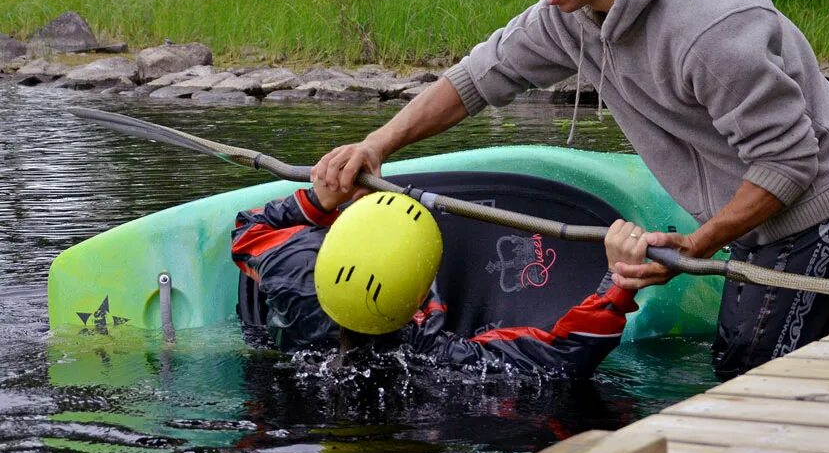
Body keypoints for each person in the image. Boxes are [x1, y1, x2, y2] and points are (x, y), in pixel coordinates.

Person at [311, 0, 829, 381]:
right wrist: (376, 143)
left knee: (753, 372)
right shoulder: (569, 18)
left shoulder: (710, 27)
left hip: (823, 201)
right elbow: (475, 80)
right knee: (739, 360)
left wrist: (694, 244)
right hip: (753, 208)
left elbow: (787, 162)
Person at [230, 176, 645, 379]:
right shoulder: (433, 355)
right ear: (415, 300)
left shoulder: (291, 264)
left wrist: (321, 199)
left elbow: (249, 229)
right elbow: (562, 358)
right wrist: (619, 281)